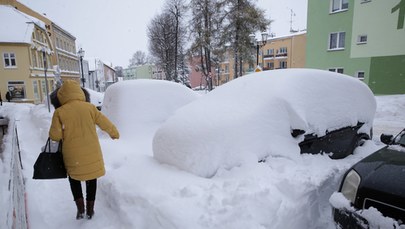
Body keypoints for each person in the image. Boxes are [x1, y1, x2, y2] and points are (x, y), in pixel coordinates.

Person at [48, 80, 119, 220]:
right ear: (80, 93)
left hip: (72, 155)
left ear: (62, 95)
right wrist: (114, 133)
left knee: (74, 180)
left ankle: (80, 209)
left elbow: (55, 136)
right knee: (91, 179)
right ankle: (90, 210)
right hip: (92, 152)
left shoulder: (59, 112)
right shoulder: (90, 108)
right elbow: (105, 123)